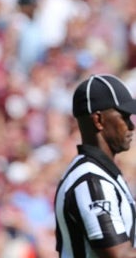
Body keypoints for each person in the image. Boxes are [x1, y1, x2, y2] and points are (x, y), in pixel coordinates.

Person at [55, 74, 136, 258]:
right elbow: (119, 254)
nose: (132, 126)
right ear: (98, 120)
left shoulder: (101, 174)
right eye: (124, 117)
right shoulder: (91, 180)